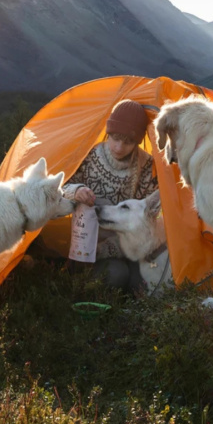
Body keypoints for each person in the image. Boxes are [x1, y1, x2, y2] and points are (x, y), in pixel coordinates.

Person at [63, 99, 158, 291]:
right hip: (84, 243)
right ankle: (80, 292)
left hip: (126, 245)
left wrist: (105, 250)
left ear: (137, 141)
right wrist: (77, 191)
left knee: (142, 281)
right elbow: (61, 187)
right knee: (117, 275)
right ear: (108, 133)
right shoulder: (89, 155)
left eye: (128, 142)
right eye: (115, 138)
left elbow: (146, 224)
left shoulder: (147, 167)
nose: (119, 147)